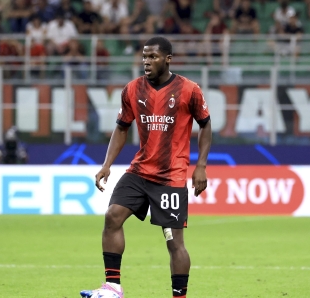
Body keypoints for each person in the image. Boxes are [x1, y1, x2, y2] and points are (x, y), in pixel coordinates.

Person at [80, 36, 212, 298]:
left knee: (174, 243)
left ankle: (179, 296)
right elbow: (121, 128)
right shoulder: (131, 90)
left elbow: (205, 125)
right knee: (112, 216)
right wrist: (107, 165)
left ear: (168, 59)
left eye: (153, 57)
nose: (146, 62)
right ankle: (113, 288)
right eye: (144, 56)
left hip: (170, 177)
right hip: (139, 171)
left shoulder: (189, 90)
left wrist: (201, 167)